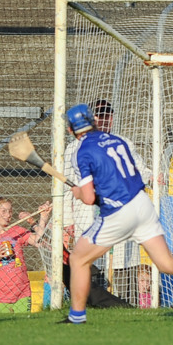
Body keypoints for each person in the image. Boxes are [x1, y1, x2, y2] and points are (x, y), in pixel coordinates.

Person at [62, 104, 173, 324]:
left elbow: (88, 198)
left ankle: (76, 317)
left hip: (119, 212)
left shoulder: (81, 151)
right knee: (166, 263)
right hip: (142, 204)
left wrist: (78, 192)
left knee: (78, 258)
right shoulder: (119, 140)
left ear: (70, 130)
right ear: (93, 121)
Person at [63, 99, 150, 304]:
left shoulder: (122, 142)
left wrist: (153, 177)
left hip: (121, 215)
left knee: (124, 270)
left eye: (108, 115)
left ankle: (128, 310)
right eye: (100, 115)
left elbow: (139, 171)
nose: (104, 119)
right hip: (88, 219)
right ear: (92, 119)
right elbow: (68, 191)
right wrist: (68, 222)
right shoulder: (74, 149)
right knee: (91, 270)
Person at [0, 195, 52, 313]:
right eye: (3, 211)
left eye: (10, 211)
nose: (8, 215)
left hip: (22, 293)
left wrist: (43, 217)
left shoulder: (17, 231)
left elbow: (39, 242)